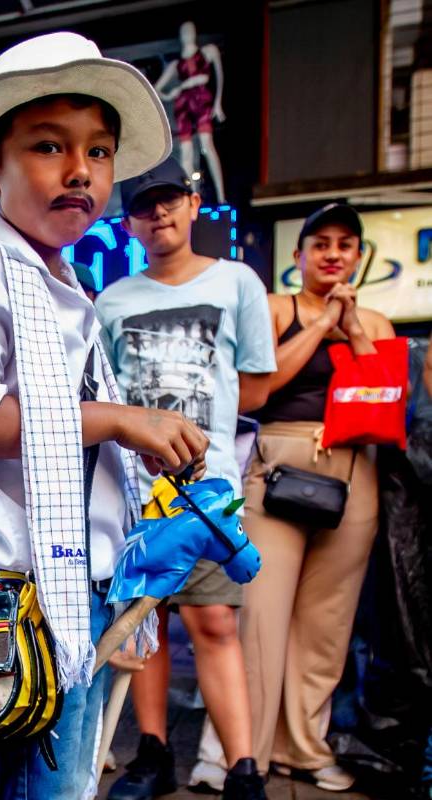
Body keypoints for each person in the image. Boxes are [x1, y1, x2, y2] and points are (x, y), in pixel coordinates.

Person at [0, 32, 209, 798]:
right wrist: (115, 419)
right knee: (37, 787)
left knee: (56, 782)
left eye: (100, 152)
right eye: (49, 146)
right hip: (9, 594)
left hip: (68, 586)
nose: (81, 171)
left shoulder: (60, 286)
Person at [94, 160, 273, 800]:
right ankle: (153, 754)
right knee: (146, 622)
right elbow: (105, 396)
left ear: (194, 205)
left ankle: (243, 768)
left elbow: (254, 382)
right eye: (144, 206)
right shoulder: (112, 301)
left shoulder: (237, 282)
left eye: (170, 200)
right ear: (129, 223)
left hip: (207, 492)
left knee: (216, 624)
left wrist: (208, 443)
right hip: (133, 494)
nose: (159, 214)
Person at [229, 203, 394, 793]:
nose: (331, 253)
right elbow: (261, 386)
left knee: (326, 625)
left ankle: (306, 746)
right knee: (261, 617)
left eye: (344, 245)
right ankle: (243, 754)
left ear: (357, 257)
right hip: (280, 465)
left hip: (353, 466)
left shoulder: (374, 321)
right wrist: (322, 324)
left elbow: (383, 399)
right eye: (319, 243)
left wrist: (350, 327)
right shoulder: (275, 309)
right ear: (297, 256)